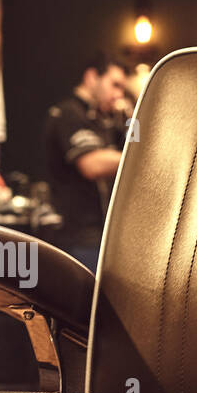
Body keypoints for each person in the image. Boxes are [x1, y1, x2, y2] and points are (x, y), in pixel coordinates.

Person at [43, 52, 130, 270]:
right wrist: (140, 159)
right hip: (77, 238)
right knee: (87, 303)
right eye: (115, 85)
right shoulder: (68, 113)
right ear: (92, 77)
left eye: (123, 89)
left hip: (106, 236)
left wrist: (133, 116)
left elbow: (137, 143)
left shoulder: (108, 119)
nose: (119, 95)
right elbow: (92, 165)